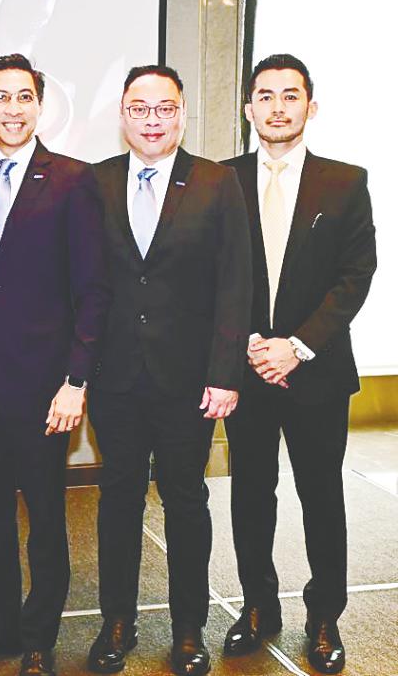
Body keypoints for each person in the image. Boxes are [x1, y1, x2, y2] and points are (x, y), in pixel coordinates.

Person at [0, 54, 110, 676]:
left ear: (40, 105)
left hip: (44, 386)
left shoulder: (74, 179)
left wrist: (76, 380)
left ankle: (39, 635)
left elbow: (92, 288)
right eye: (0, 98)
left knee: (44, 516)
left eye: (23, 97)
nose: (13, 108)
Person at [86, 65, 251, 676]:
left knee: (187, 502)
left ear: (181, 113)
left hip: (190, 382)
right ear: (123, 115)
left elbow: (236, 284)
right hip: (115, 377)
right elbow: (86, 284)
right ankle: (117, 624)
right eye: (139, 107)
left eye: (163, 108)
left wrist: (226, 372)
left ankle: (188, 629)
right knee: (118, 500)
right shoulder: (96, 183)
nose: (151, 118)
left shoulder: (217, 182)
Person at [221, 54, 376, 674]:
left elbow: (354, 277)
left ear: (310, 106)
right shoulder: (220, 179)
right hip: (247, 369)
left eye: (290, 96)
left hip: (316, 370)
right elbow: (212, 279)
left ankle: (324, 615)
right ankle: (258, 606)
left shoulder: (345, 180)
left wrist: (298, 346)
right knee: (251, 493)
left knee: (321, 495)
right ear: (248, 107)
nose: (277, 106)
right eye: (265, 95)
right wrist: (252, 347)